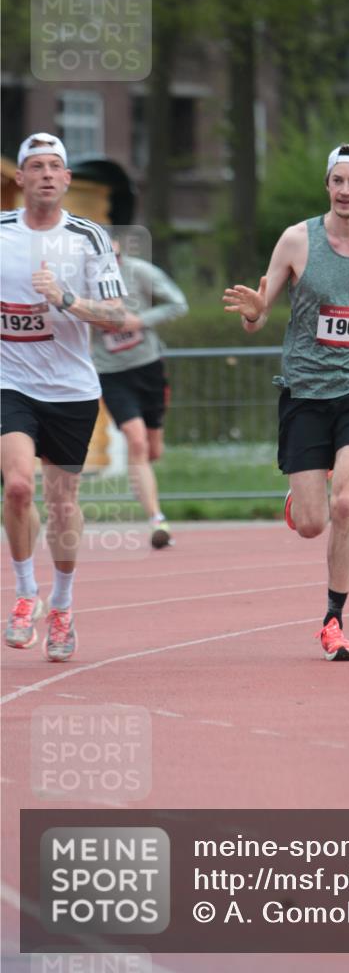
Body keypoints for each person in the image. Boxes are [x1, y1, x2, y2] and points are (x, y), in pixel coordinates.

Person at [223, 143, 349, 662]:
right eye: (338, 181)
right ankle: (301, 501)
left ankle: (333, 620)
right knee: (313, 523)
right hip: (306, 390)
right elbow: (261, 314)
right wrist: (251, 312)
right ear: (328, 186)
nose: (346, 191)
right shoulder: (296, 240)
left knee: (347, 504)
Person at [1, 132, 129, 662]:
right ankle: (25, 591)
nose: (47, 175)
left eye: (56, 167)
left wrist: (66, 299)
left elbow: (116, 314)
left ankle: (63, 603)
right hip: (12, 383)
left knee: (62, 503)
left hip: (72, 390)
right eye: (37, 166)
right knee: (16, 488)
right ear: (21, 178)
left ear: (68, 180)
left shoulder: (89, 238)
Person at [91, 239, 189, 548]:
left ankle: (145, 480)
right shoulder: (81, 284)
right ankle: (157, 521)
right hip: (110, 372)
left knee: (151, 450)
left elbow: (178, 303)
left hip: (148, 367)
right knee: (135, 440)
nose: (111, 267)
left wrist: (139, 320)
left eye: (115, 259)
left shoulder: (141, 273)